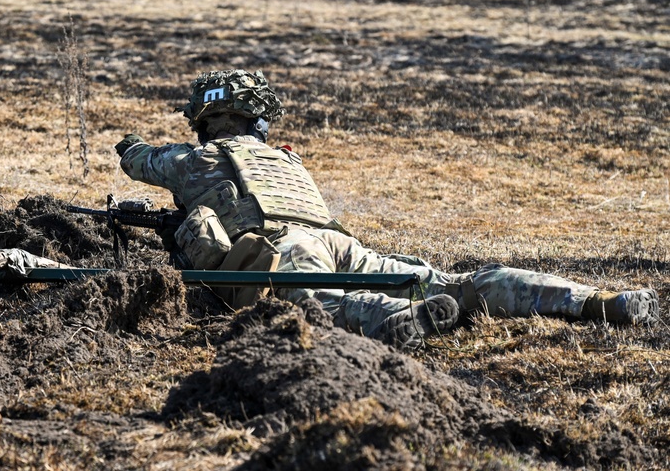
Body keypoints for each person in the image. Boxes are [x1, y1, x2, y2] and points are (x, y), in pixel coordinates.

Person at [114, 69, 660, 350]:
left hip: (289, 247)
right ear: (253, 117)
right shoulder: (287, 160)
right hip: (343, 244)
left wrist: (133, 142)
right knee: (451, 279)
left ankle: (398, 320)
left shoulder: (193, 159)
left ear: (207, 118)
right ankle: (592, 301)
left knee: (311, 303)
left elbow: (136, 159)